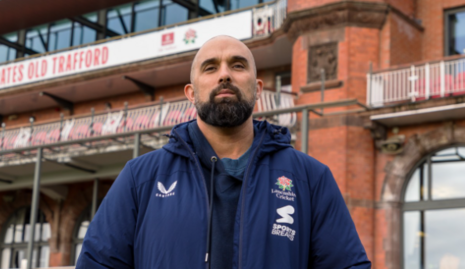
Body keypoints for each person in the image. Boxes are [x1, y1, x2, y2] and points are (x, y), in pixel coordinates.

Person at [76, 35, 371, 269]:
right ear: (191, 93)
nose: (225, 75)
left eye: (238, 65)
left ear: (257, 89)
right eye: (211, 67)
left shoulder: (310, 179)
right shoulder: (140, 178)